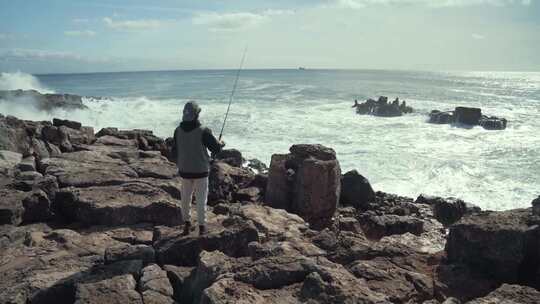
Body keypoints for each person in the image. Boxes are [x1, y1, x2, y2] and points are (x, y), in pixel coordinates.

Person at [173, 101, 224, 236]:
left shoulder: (177, 131)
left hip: (184, 171)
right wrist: (221, 143)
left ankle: (186, 224)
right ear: (196, 115)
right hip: (201, 171)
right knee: (201, 200)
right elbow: (216, 148)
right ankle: (201, 226)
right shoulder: (203, 131)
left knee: (185, 199)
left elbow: (174, 152)